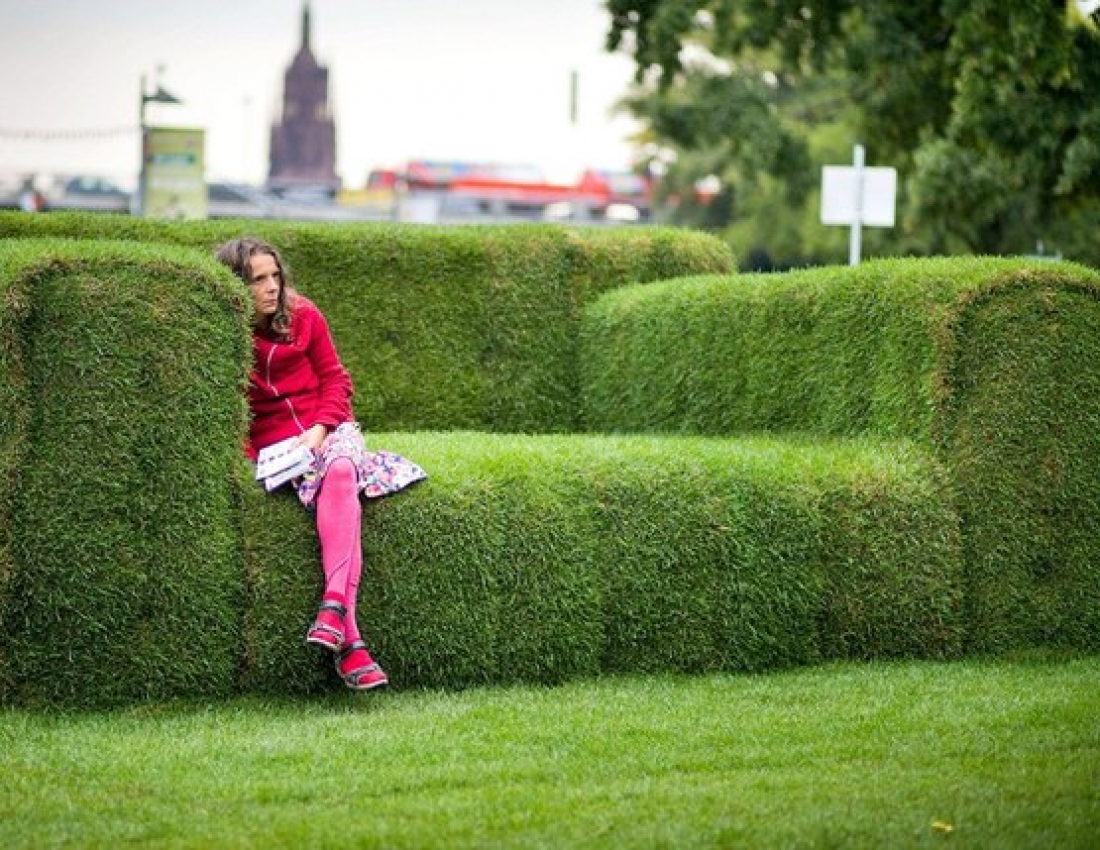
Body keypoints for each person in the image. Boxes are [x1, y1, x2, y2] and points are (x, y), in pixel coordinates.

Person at [215, 237, 426, 691]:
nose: (272, 287)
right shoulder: (223, 338)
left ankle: (333, 606)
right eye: (258, 280)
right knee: (339, 486)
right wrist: (266, 455)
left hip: (328, 429)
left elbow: (336, 378)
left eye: (275, 276)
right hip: (276, 450)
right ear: (235, 286)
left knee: (343, 471)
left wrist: (320, 430)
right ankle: (351, 642)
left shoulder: (304, 315)